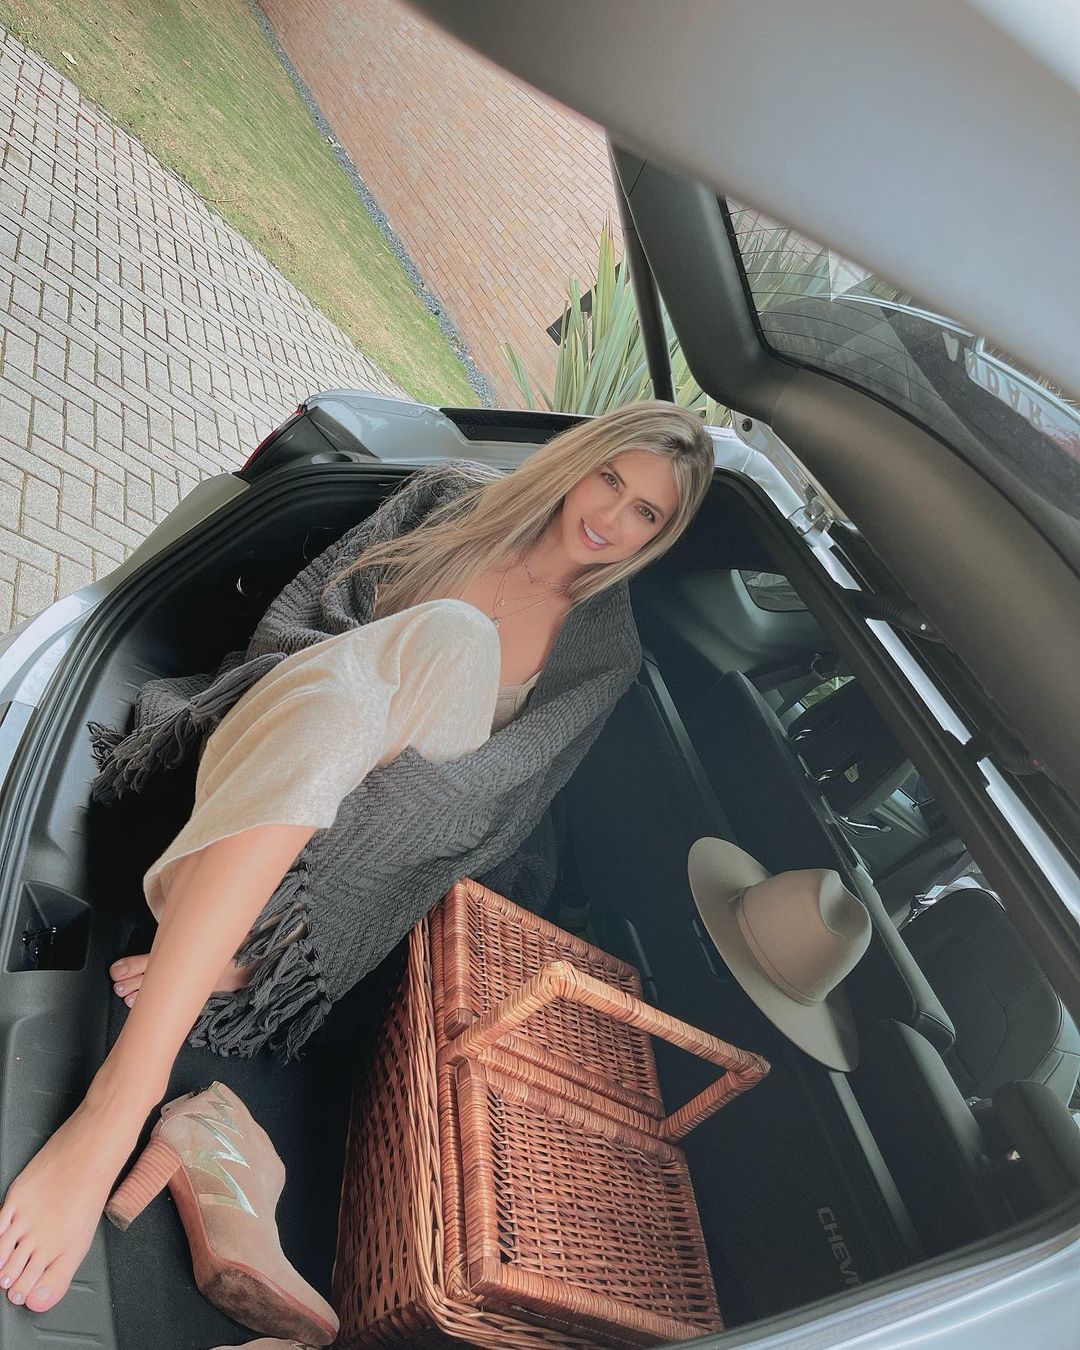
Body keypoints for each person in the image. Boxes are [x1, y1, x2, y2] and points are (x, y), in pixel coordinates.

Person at [0, 400, 714, 1316]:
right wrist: (347, 720)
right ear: (580, 461)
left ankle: (206, 933)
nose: (610, 517)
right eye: (609, 478)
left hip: (365, 833)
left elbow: (500, 798)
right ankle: (123, 1098)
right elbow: (295, 626)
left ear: (661, 533)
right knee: (423, 651)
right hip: (270, 736)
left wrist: (356, 786)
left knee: (452, 646)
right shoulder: (449, 499)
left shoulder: (604, 652)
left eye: (645, 511)